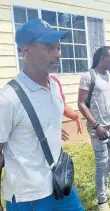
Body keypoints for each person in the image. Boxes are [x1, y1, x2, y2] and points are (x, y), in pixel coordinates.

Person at [0, 19, 84, 211]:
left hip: (60, 184)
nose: (57, 55)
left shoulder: (53, 85)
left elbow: (42, 118)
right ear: (25, 50)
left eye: (58, 47)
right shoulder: (8, 98)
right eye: (49, 48)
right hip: (28, 196)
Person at [78, 46, 110, 211]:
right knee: (101, 164)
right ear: (102, 58)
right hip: (98, 129)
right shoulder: (88, 76)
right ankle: (102, 201)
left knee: (109, 161)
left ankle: (105, 189)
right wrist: (96, 125)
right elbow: (81, 103)